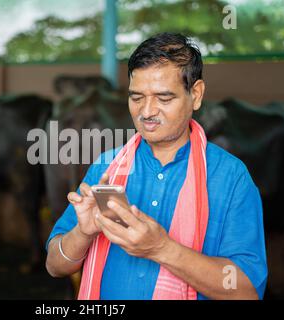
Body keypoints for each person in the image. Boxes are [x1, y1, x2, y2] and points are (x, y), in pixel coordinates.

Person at [45, 33, 267, 300]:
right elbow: (55, 266)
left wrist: (162, 249)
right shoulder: (107, 167)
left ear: (195, 95)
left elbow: (246, 290)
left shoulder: (230, 177)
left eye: (163, 98)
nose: (147, 112)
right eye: (136, 97)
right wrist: (83, 232)